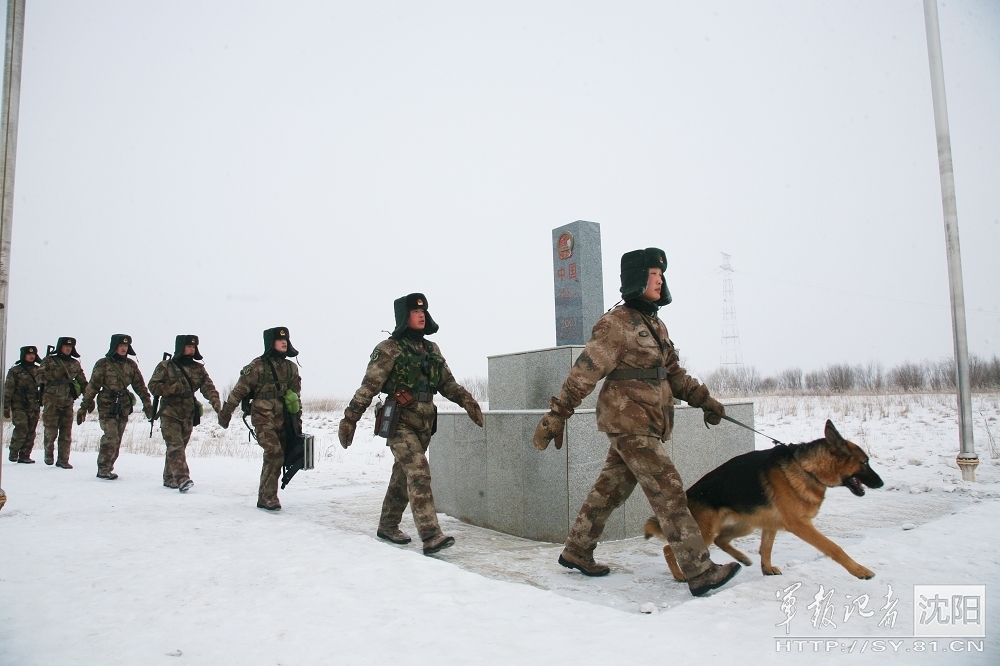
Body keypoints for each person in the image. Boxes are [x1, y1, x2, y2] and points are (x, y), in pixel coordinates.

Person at [532, 248, 739, 597]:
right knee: (669, 491)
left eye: (661, 275)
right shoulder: (616, 324)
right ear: (637, 280)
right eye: (653, 275)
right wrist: (558, 413)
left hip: (647, 422)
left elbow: (673, 373)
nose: (659, 281)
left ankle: (577, 550)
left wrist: (706, 401)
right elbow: (584, 372)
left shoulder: (654, 324)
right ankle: (699, 570)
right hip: (628, 423)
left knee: (610, 488)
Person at [338, 293, 483, 555]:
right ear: (404, 317)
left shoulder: (432, 349)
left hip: (425, 422)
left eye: (424, 311)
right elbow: (369, 387)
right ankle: (430, 535)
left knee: (401, 477)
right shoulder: (388, 348)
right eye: (415, 312)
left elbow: (446, 383)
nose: (421, 315)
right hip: (400, 421)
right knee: (418, 472)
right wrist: (350, 419)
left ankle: (387, 525)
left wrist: (468, 401)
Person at [217, 328, 301, 510]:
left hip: (283, 418)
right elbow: (238, 391)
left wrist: (297, 425)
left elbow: (295, 398)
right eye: (280, 340)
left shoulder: (291, 368)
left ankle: (264, 496)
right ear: (271, 343)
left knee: (277, 457)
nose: (284, 342)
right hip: (262, 416)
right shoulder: (257, 367)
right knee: (274, 452)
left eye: (286, 339)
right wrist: (226, 414)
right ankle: (269, 497)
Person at [148, 335, 221, 492]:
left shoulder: (198, 368)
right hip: (169, 411)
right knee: (175, 446)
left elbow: (208, 387)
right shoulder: (166, 366)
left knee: (179, 446)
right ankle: (182, 479)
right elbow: (153, 385)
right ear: (181, 347)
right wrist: (171, 388)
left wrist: (216, 404)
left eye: (194, 346)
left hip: (188, 412)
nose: (192, 349)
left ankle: (169, 478)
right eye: (188, 346)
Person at [78, 335, 153, 480]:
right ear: (114, 347)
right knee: (111, 436)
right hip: (107, 404)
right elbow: (92, 387)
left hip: (123, 405)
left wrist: (147, 404)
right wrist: (84, 406)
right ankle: (103, 468)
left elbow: (140, 386)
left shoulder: (131, 365)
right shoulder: (103, 364)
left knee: (117, 439)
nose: (124, 348)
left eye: (126, 346)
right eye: (120, 346)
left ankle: (109, 466)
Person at [38, 337, 88, 468]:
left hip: (67, 401)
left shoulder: (75, 363)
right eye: (66, 346)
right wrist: (55, 372)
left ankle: (63, 460)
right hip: (51, 401)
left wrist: (88, 398)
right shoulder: (49, 360)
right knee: (51, 431)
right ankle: (48, 454)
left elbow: (82, 381)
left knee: (66, 433)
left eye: (70, 347)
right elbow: (39, 377)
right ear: (60, 346)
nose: (68, 349)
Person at [4, 346, 42, 463]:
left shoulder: (39, 370)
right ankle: (14, 452)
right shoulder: (15, 371)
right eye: (28, 354)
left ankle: (25, 455)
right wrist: (6, 407)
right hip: (19, 405)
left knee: (31, 430)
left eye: (33, 354)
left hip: (34, 405)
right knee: (22, 428)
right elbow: (8, 390)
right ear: (23, 355)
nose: (31, 356)